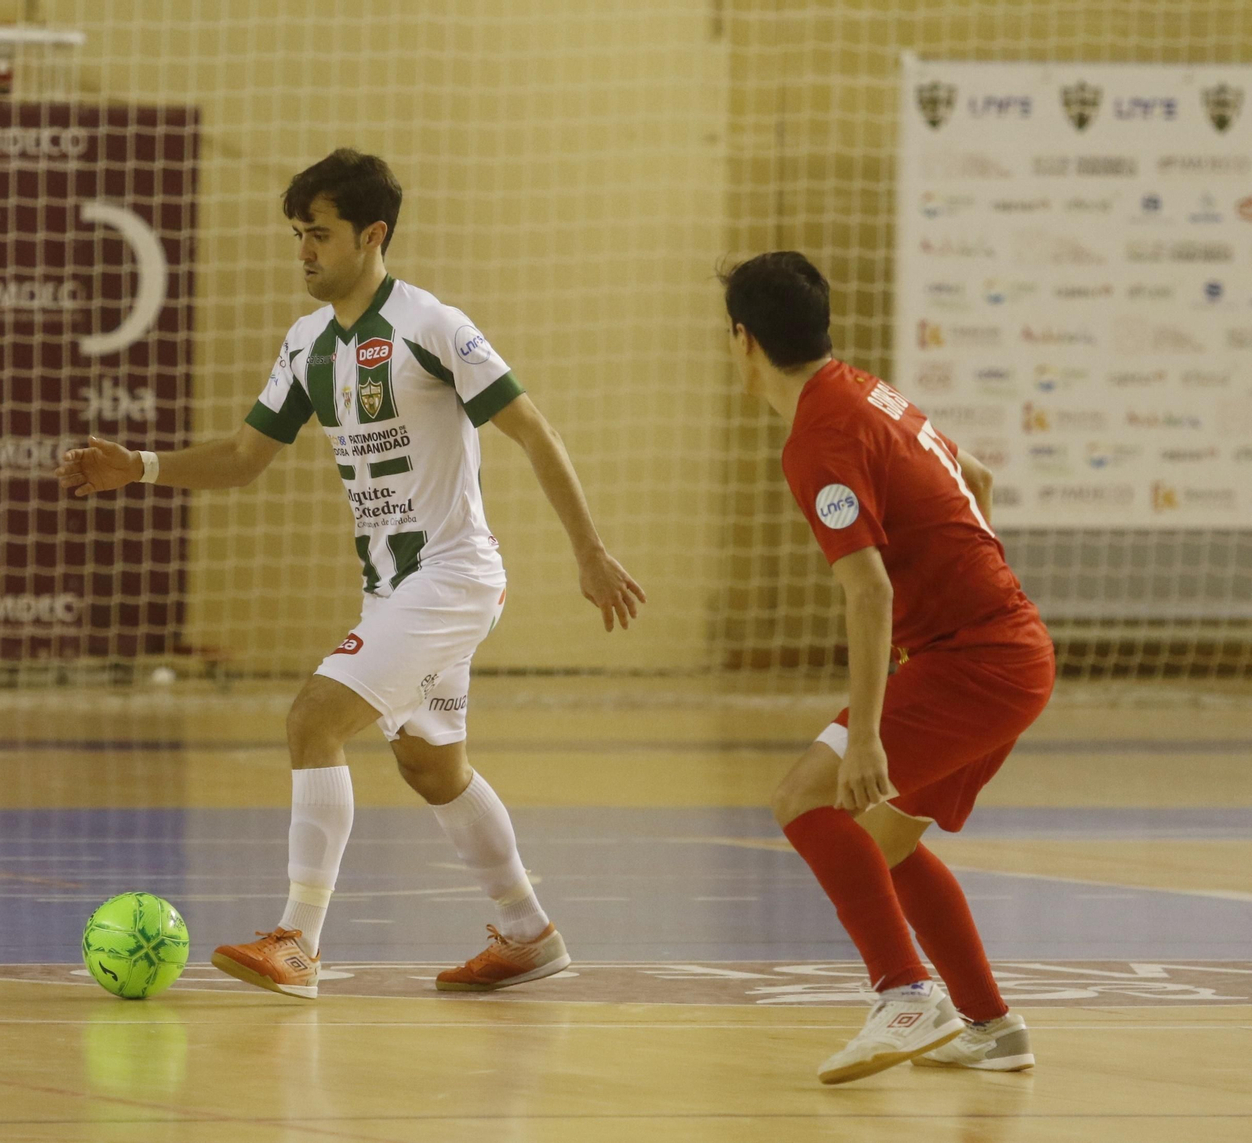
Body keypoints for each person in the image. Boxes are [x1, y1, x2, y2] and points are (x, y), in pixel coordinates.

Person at [57, 149, 645, 999]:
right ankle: (527, 932)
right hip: (396, 588)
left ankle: (298, 939)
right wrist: (140, 467)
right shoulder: (305, 344)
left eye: (319, 234)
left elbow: (533, 431)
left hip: (449, 576)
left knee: (313, 719)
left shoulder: (433, 325)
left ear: (372, 236)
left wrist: (589, 551)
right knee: (432, 767)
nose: (303, 251)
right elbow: (243, 456)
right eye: (297, 233)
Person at [721, 251, 1054, 1084]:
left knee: (805, 796)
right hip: (1011, 648)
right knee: (885, 841)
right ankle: (992, 1024)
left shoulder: (817, 439)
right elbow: (974, 477)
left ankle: (906, 993)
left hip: (974, 660)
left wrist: (866, 733)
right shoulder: (872, 391)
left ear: (743, 341)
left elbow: (867, 592)